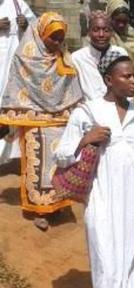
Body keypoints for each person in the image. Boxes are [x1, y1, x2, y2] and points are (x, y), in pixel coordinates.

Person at [54, 50, 134, 288]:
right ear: (109, 80)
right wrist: (86, 139)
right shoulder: (87, 113)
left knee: (129, 262)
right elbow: (61, 156)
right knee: (106, 263)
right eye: (127, 76)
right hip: (101, 198)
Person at [0, 12, 83, 230]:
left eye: (60, 39)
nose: (56, 43)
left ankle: (59, 203)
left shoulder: (64, 58)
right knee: (37, 163)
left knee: (61, 162)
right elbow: (15, 87)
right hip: (33, 118)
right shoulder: (24, 56)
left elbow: (73, 89)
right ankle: (39, 209)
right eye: (52, 37)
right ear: (41, 33)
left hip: (61, 120)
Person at [0, 0, 37, 165]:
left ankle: (8, 155)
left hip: (13, 65)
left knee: (10, 105)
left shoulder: (16, 3)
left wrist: (25, 25)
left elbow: (38, 30)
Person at [72, 10, 128, 101]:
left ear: (112, 32)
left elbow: (127, 84)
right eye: (96, 30)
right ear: (89, 32)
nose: (101, 35)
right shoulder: (78, 58)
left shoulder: (120, 54)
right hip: (90, 111)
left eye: (106, 30)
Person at [106, 0, 134, 102]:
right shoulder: (105, 36)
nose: (121, 25)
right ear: (110, 18)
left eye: (125, 21)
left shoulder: (132, 34)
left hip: (130, 90)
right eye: (117, 21)